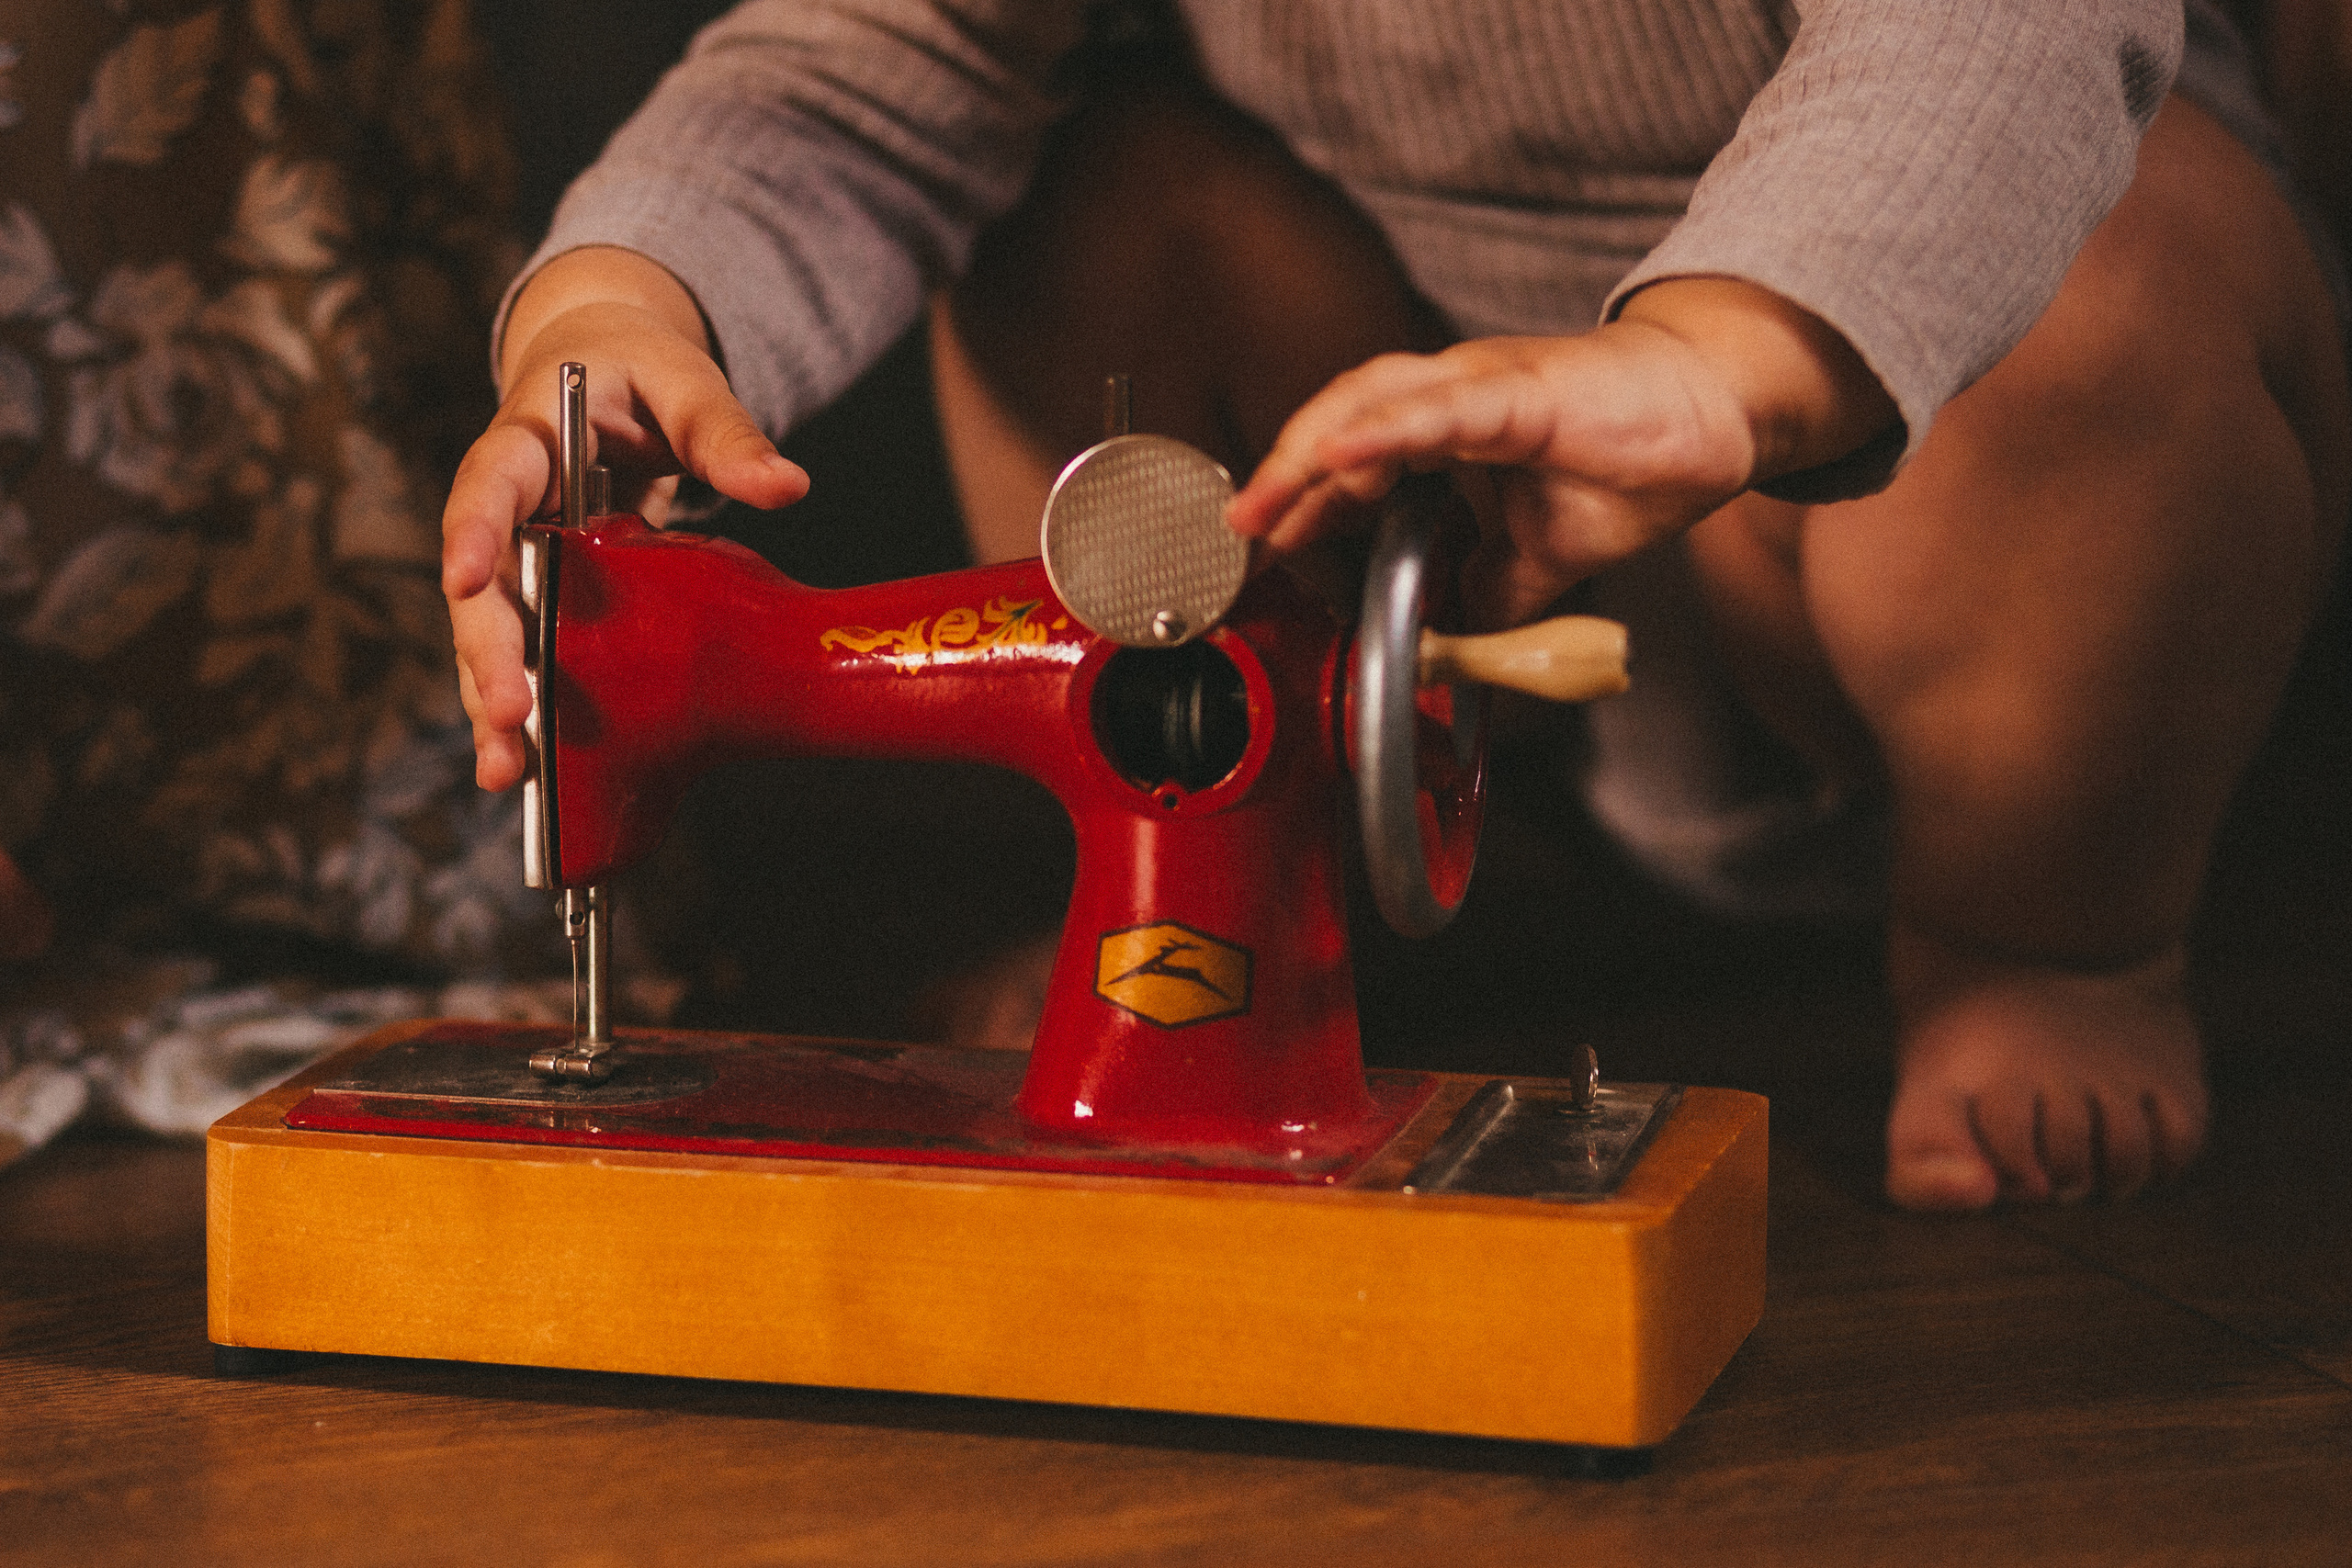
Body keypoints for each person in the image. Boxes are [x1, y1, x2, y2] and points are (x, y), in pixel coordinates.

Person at [440, 1, 2350, 1211]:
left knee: (2111, 292)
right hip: (1450, 477)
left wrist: (1720, 360)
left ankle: (2044, 938)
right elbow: (879, 60)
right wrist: (624, 307)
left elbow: (1988, 42)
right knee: (1088, 192)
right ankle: (1243, 884)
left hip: (1877, 417)